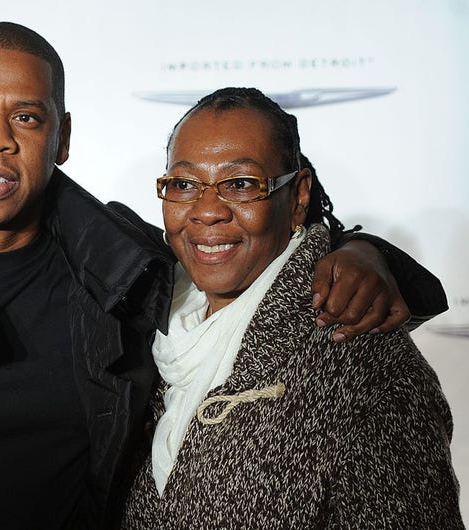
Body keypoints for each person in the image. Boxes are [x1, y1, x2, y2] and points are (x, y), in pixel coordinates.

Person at [0, 22, 447, 530]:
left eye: (27, 118)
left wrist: (363, 254)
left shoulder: (126, 265)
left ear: (63, 137)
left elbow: (253, 256)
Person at [121, 87, 462, 528]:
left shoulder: (363, 361)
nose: (207, 211)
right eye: (184, 184)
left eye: (241, 184)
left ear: (299, 196)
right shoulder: (146, 312)